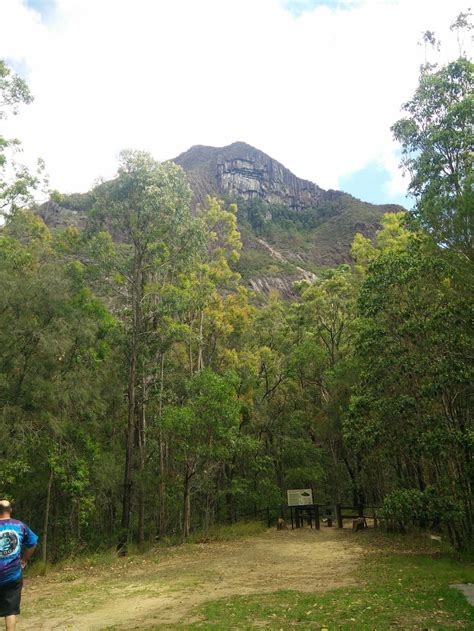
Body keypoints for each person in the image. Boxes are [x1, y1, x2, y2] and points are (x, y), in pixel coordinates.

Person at [0, 501, 38, 631]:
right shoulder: (19, 525)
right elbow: (33, 542)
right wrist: (24, 560)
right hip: (13, 575)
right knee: (10, 611)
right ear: (10, 510)